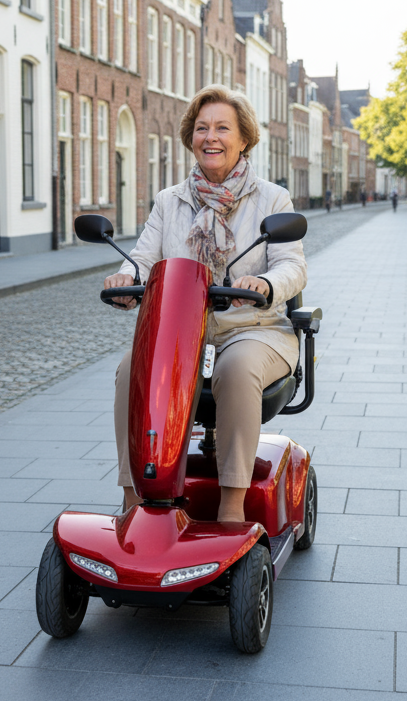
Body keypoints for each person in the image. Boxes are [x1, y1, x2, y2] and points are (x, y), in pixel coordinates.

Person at [103, 86, 307, 523]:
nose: (210, 137)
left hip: (255, 328)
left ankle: (231, 509)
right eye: (201, 128)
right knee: (130, 369)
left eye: (221, 128)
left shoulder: (272, 199)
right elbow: (142, 259)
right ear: (190, 137)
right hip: (183, 333)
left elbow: (293, 268)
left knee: (236, 368)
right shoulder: (169, 200)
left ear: (244, 139)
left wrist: (265, 283)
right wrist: (127, 278)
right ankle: (132, 499)